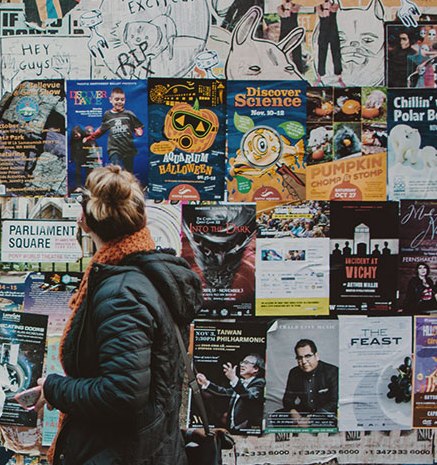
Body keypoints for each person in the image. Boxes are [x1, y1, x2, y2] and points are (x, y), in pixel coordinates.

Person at [30, 165, 202, 464]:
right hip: (145, 448)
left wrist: (55, 388)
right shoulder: (148, 274)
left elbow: (122, 393)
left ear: (84, 219)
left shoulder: (121, 292)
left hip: (120, 453)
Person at [196, 354, 266, 432]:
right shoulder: (241, 384)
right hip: (232, 428)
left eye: (246, 362)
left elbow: (250, 396)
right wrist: (206, 382)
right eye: (242, 362)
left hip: (247, 429)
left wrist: (233, 378)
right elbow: (224, 392)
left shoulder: (260, 382)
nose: (242, 365)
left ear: (255, 368)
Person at [83, 87, 144, 172]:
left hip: (128, 148)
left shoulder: (129, 114)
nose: (119, 102)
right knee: (116, 169)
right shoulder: (107, 115)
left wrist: (139, 132)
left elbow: (138, 127)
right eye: (117, 99)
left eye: (122, 100)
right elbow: (101, 130)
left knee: (128, 172)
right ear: (110, 100)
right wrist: (89, 138)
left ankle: (126, 185)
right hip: (114, 148)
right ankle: (116, 185)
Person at [281, 339, 338, 425]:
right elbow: (287, 399)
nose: (304, 362)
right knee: (276, 416)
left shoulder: (332, 371)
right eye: (300, 358)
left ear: (316, 356)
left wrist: (311, 419)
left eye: (308, 356)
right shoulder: (294, 372)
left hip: (324, 413)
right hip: (304, 412)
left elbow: (334, 401)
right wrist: (296, 415)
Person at [315, 0, 343, 86]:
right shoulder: (319, 7)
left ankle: (339, 75)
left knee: (336, 53)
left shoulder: (334, 5)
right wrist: (326, 8)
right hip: (323, 33)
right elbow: (322, 14)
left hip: (333, 32)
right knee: (321, 53)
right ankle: (320, 75)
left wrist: (328, 7)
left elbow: (335, 8)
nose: (327, 2)